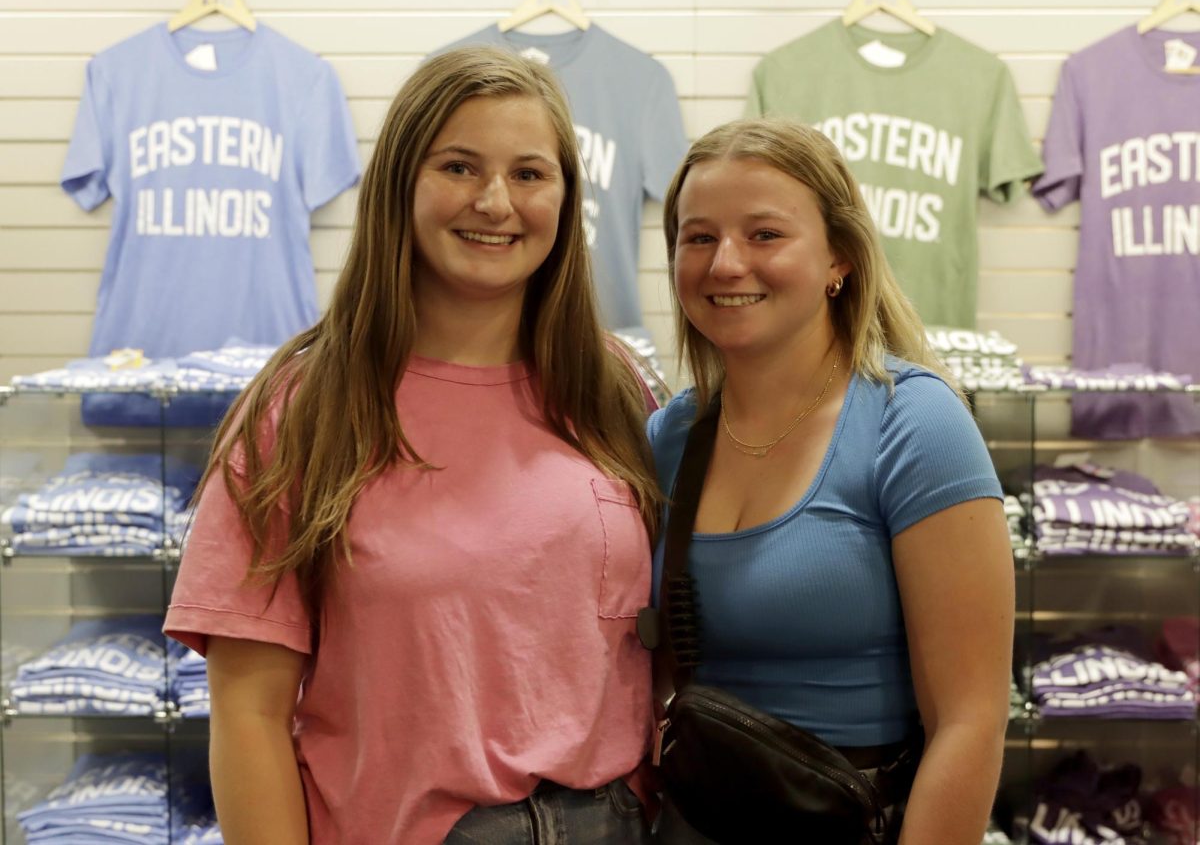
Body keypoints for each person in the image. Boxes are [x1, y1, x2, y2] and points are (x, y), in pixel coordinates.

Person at [163, 46, 662, 845]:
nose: (496, 202)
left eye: (530, 174)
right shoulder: (306, 408)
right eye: (460, 167)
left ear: (567, 199)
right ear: (401, 183)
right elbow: (248, 712)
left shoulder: (613, 389)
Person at [647, 118, 1015, 844]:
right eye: (698, 237)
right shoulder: (669, 437)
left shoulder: (914, 424)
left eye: (764, 235)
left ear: (838, 258)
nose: (725, 264)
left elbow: (970, 723)